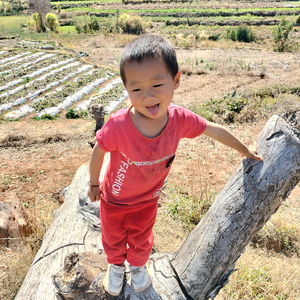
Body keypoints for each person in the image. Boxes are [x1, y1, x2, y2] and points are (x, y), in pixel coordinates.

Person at [87, 34, 262, 296]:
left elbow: (214, 130)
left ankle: (136, 266)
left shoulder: (179, 120)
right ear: (127, 90)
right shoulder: (119, 125)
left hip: (148, 199)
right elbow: (99, 150)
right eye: (136, 89)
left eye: (157, 84)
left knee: (141, 238)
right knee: (113, 237)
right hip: (114, 199)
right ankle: (115, 266)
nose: (147, 96)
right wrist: (93, 184)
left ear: (176, 80)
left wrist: (244, 149)